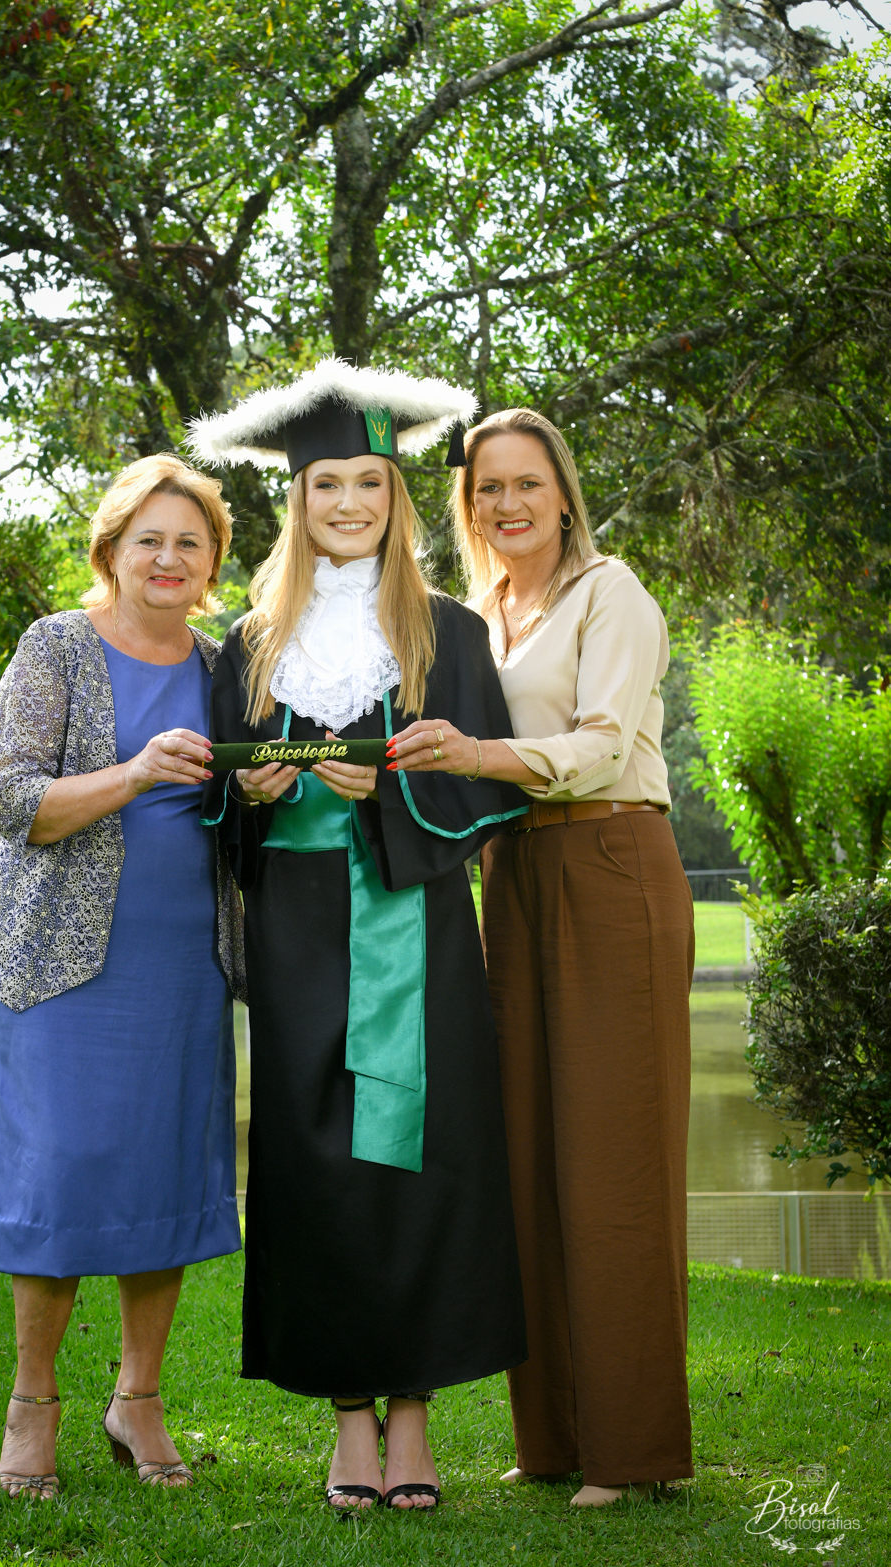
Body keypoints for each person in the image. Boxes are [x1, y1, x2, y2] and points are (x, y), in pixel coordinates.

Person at [189, 360, 528, 1514]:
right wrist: (257, 794)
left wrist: (388, 789)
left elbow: (488, 795)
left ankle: (415, 1417)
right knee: (316, 1159)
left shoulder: (451, 633)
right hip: (295, 931)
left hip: (414, 918)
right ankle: (348, 1419)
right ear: (298, 498)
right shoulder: (249, 643)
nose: (347, 502)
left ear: (395, 496)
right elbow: (218, 801)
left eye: (368, 483)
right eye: (325, 483)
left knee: (419, 1154)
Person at [389, 409, 695, 1505]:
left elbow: (604, 743)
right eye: (487, 489)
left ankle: (632, 1450)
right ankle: (554, 1437)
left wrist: (477, 751)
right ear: (468, 507)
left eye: (526, 483)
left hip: (612, 861)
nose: (507, 503)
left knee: (615, 1160)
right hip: (514, 875)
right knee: (528, 1157)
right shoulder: (478, 618)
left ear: (563, 492)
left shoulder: (613, 593)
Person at [0, 453, 246, 1499]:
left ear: (213, 562)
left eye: (190, 543)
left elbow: (239, 804)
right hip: (55, 961)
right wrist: (133, 773)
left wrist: (260, 787)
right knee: (62, 1170)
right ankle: (33, 1400)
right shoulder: (56, 646)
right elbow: (13, 802)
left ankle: (139, 1399)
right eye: (150, 540)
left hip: (184, 962)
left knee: (161, 1171)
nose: (169, 559)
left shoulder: (225, 665)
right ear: (112, 551)